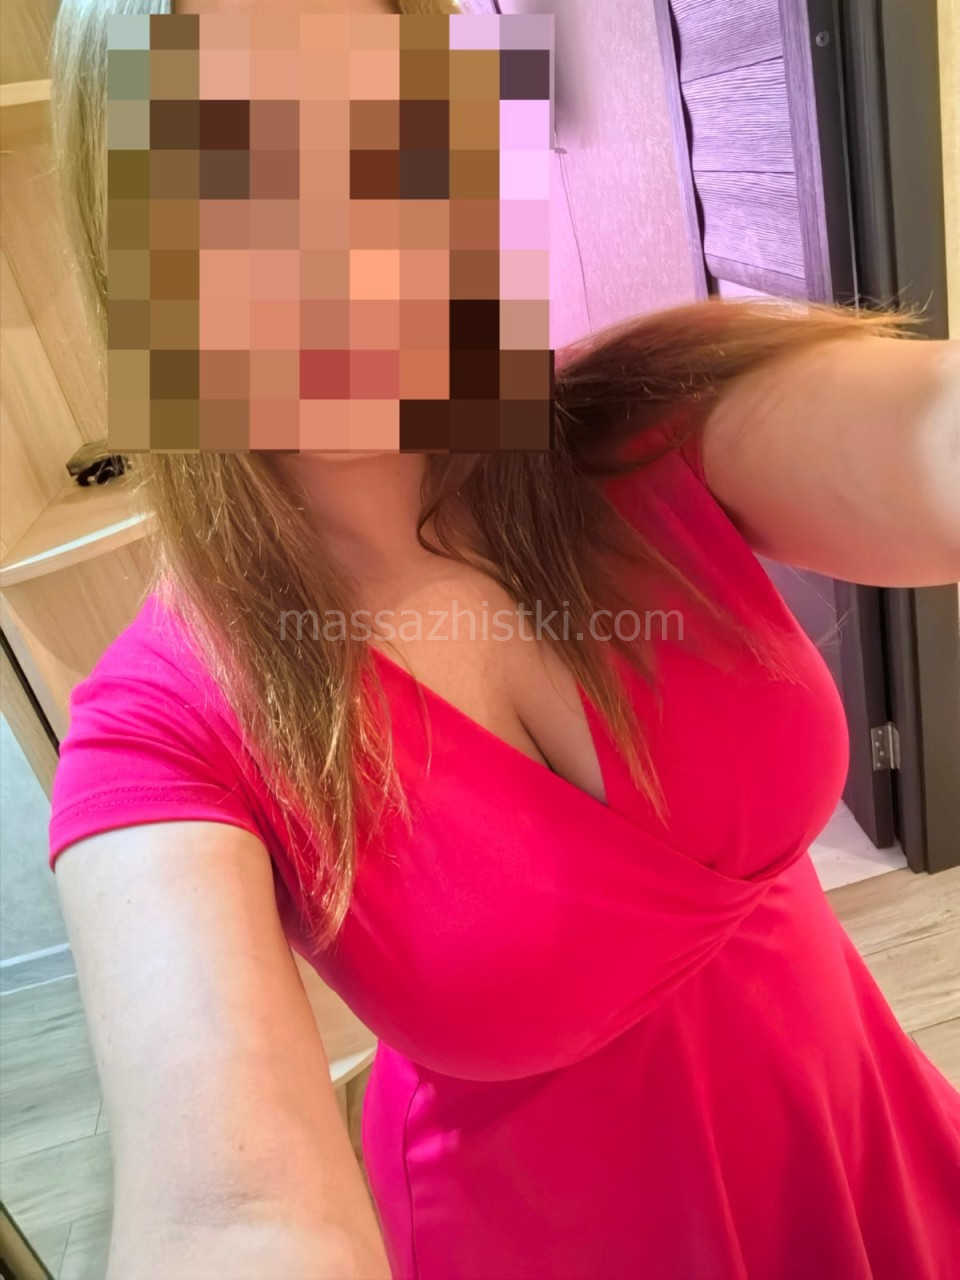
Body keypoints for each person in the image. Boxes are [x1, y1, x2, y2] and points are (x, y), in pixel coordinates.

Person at [47, 0, 960, 1277]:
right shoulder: (160, 725)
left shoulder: (638, 424)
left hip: (858, 1131)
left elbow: (931, 438)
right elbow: (226, 1208)